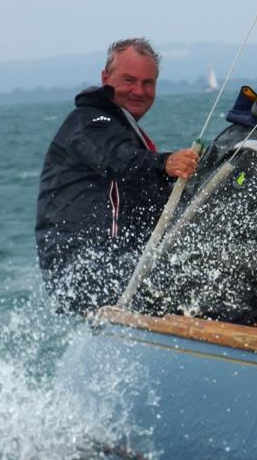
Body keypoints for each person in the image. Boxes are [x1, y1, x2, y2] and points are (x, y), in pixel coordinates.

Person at [137, 59, 257, 332]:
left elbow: (252, 233)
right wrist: (248, 304)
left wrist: (253, 291)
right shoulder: (256, 151)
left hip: (199, 278)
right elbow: (225, 235)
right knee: (256, 316)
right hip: (183, 280)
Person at [35, 37, 198, 315]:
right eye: (128, 80)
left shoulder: (122, 131)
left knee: (200, 277)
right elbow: (118, 159)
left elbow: (150, 198)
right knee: (187, 287)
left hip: (112, 264)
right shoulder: (89, 123)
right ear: (105, 78)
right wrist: (165, 163)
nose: (138, 90)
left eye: (148, 83)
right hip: (81, 268)